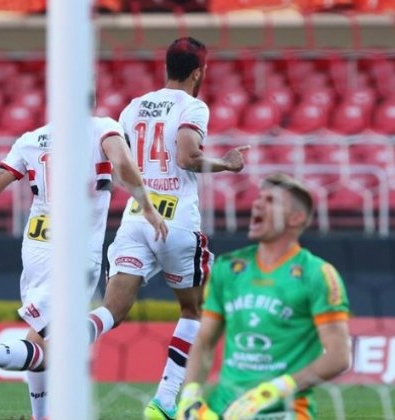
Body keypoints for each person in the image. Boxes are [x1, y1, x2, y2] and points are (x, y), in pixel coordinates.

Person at [0, 119, 167, 420]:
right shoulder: (102, 128)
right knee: (67, 343)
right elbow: (124, 165)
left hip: (36, 246)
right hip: (75, 250)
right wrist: (147, 206)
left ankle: (39, 414)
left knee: (41, 337)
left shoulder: (31, 139)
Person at [85, 36, 248, 420]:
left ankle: (53, 346)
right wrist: (226, 163)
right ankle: (166, 401)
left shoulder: (132, 107)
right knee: (196, 311)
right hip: (175, 222)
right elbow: (188, 157)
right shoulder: (193, 106)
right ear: (198, 72)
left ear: (165, 68)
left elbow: (119, 165)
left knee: (111, 311)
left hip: (136, 218)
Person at [176, 173, 351, 420]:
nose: (256, 204)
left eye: (270, 200)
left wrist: (274, 391)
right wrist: (190, 395)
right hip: (222, 410)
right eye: (258, 198)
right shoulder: (228, 268)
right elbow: (204, 341)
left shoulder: (317, 274)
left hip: (284, 411)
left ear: (295, 218)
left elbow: (338, 356)